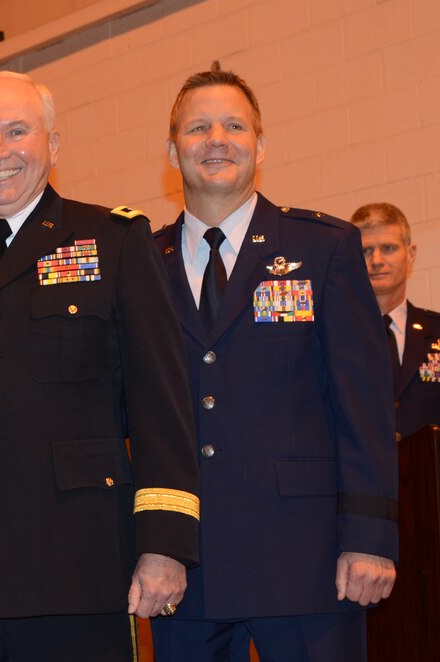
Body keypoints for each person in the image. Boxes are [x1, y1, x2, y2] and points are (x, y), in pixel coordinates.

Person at [0, 70, 200, 661]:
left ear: (53, 145)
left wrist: (165, 542)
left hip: (76, 564)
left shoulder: (112, 240)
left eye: (17, 131)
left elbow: (161, 404)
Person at [150, 68, 398, 662]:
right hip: (185, 565)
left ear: (260, 145)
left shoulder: (323, 248)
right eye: (198, 127)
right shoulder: (142, 261)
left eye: (235, 126)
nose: (217, 139)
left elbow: (362, 403)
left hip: (307, 560)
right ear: (172, 150)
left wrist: (370, 536)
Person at [350, 202, 440, 438]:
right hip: (361, 474)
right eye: (365, 251)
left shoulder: (437, 330)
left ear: (410, 254)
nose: (376, 260)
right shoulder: (330, 334)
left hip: (430, 471)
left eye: (388, 248)